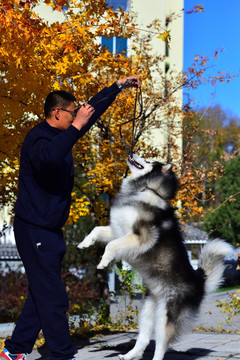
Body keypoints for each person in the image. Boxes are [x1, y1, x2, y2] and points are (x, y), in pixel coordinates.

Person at [0, 76, 140, 360]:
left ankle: (14, 350)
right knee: (53, 296)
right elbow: (50, 157)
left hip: (50, 229)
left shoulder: (65, 132)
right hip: (34, 229)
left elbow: (91, 112)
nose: (77, 117)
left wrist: (116, 88)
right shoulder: (38, 138)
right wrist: (76, 126)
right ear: (57, 113)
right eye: (72, 112)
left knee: (41, 293)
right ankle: (63, 355)